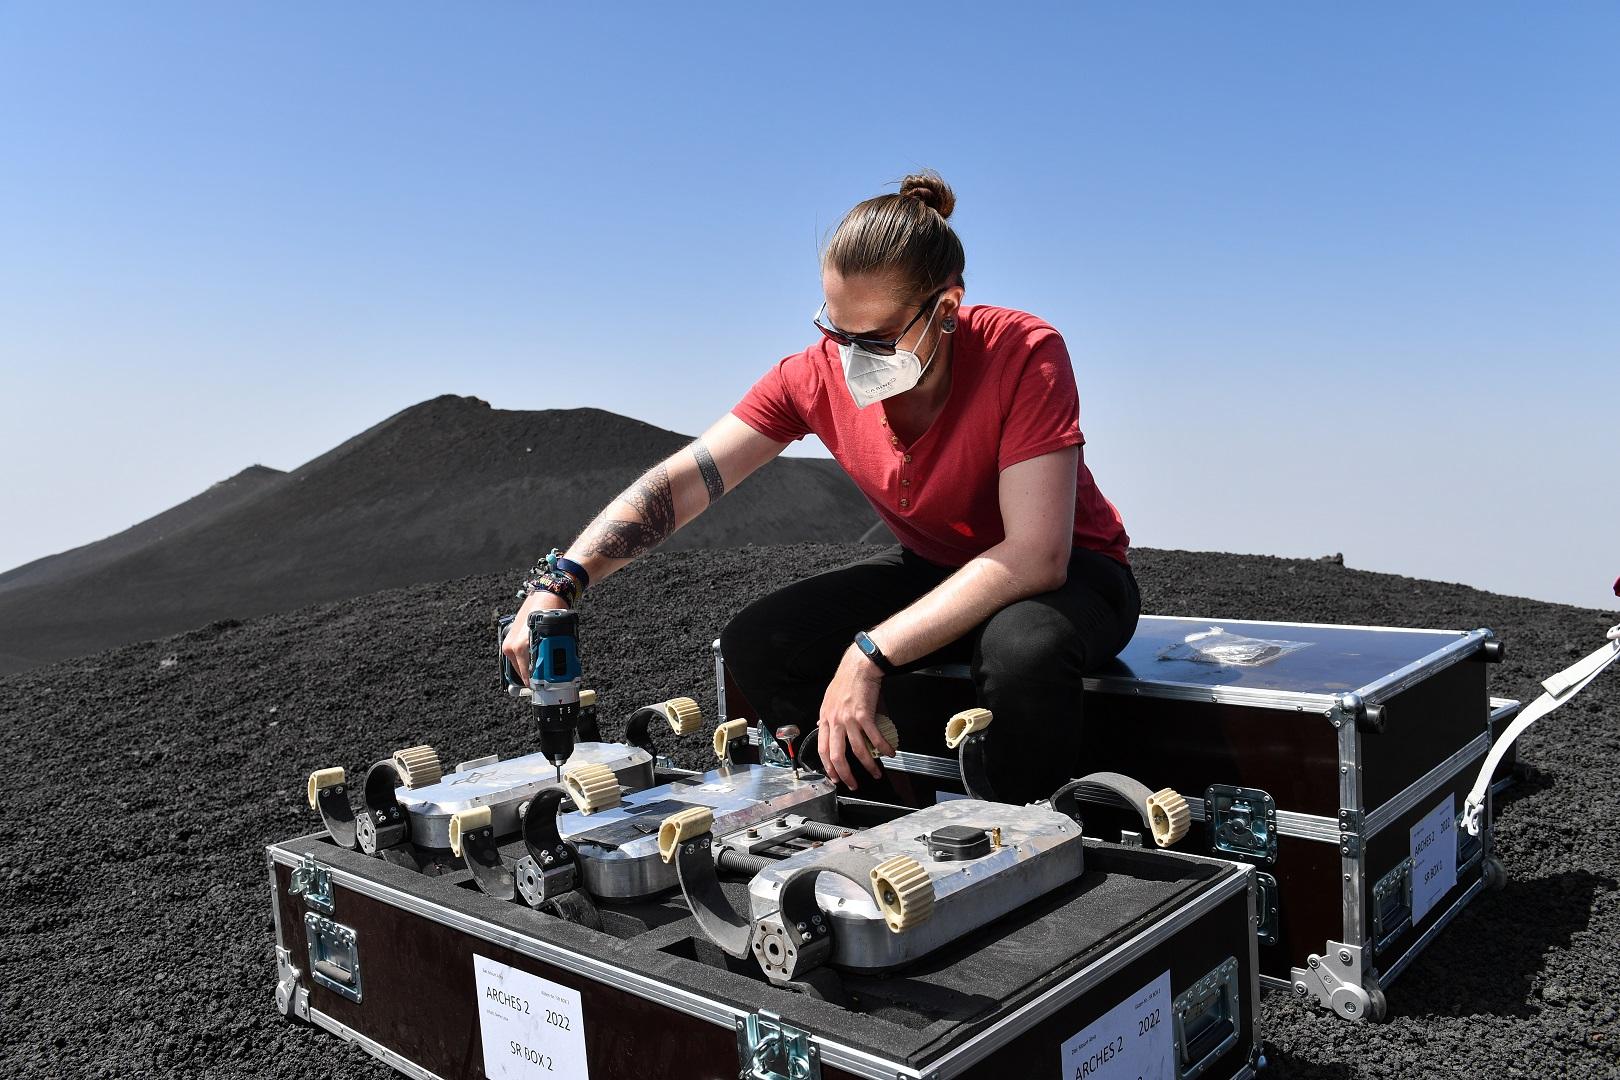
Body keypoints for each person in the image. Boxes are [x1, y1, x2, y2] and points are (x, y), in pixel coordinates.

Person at [503, 172, 1137, 804]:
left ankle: (1031, 837)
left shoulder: (1023, 350)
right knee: (759, 643)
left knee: (1023, 649)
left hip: (1072, 579)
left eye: (876, 340)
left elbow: (1036, 555)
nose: (850, 357)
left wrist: (869, 655)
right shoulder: (810, 376)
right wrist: (560, 583)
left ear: (946, 308)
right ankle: (881, 804)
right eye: (836, 332)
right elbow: (689, 480)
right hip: (937, 569)